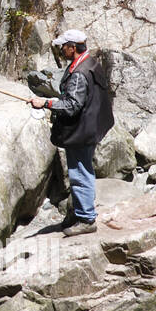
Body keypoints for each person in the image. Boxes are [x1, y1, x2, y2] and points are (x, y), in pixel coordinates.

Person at [29, 29, 114, 236]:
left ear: (72, 47)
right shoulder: (90, 63)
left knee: (79, 172)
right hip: (92, 126)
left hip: (82, 130)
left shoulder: (78, 73)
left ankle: (86, 218)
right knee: (83, 169)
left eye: (62, 47)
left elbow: (72, 105)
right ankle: (79, 211)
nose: (60, 50)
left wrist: (46, 103)